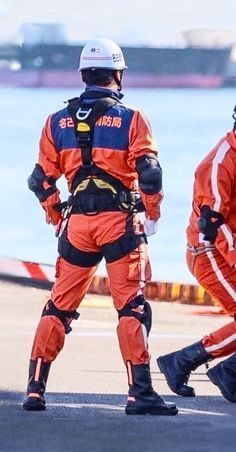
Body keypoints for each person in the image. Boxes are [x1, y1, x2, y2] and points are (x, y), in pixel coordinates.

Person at [23, 37, 178, 416]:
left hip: (76, 225)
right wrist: (153, 214)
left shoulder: (56, 121)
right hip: (120, 226)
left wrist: (56, 213)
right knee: (131, 308)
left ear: (82, 74)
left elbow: (39, 179)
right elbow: (150, 175)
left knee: (59, 307)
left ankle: (35, 390)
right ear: (118, 75)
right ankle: (139, 393)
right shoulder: (131, 118)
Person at [157, 106, 236, 403]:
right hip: (210, 252)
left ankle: (208, 367)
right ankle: (202, 365)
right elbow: (212, 224)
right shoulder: (219, 163)